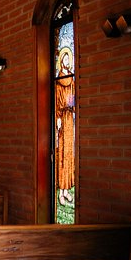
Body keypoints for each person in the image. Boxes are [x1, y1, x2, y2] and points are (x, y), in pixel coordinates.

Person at [55, 47, 75, 207]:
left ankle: (67, 189)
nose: (67, 61)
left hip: (70, 119)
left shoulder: (72, 79)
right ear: (61, 61)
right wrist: (57, 118)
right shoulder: (58, 81)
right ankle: (61, 191)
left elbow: (73, 98)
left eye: (69, 58)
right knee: (62, 153)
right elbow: (56, 101)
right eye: (65, 58)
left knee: (69, 153)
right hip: (62, 118)